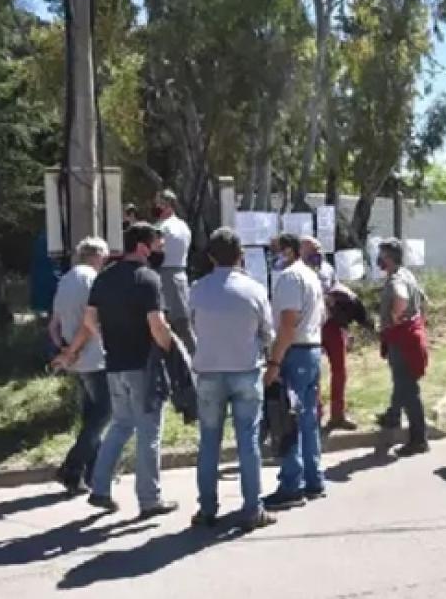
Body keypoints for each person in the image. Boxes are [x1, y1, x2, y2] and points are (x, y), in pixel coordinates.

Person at [84, 223, 178, 517]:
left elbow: (89, 321)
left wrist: (108, 340)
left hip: (114, 365)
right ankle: (150, 500)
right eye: (157, 244)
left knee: (121, 425)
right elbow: (157, 325)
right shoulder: (147, 278)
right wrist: (171, 351)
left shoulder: (104, 278)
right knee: (149, 431)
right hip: (143, 365)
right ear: (142, 246)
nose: (160, 249)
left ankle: (99, 488)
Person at [187, 228, 278, 530]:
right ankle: (253, 508)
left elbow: (191, 327)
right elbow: (268, 333)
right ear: (241, 255)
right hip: (246, 370)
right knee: (248, 441)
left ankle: (207, 508)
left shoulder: (197, 289)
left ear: (211, 256)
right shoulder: (254, 290)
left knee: (209, 441)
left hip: (209, 371)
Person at [263, 233, 327, 511]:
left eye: (275, 251)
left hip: (294, 351)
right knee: (307, 419)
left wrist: (274, 362)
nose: (273, 256)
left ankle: (291, 484)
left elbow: (288, 324)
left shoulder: (290, 278)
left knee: (285, 418)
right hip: (312, 349)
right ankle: (313, 479)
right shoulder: (312, 277)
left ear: (289, 251)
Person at [49, 238, 111, 496]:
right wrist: (73, 350)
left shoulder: (65, 280)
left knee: (91, 417)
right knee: (105, 413)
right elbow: (89, 324)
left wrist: (64, 351)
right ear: (98, 256)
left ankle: (91, 476)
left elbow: (53, 324)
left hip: (75, 361)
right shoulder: (93, 281)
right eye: (105, 257)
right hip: (94, 357)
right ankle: (72, 468)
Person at [375, 239, 431, 457]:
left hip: (402, 340)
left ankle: (419, 439)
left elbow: (401, 298)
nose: (378, 260)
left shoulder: (397, 280)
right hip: (411, 336)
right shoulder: (407, 274)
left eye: (381, 256)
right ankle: (393, 416)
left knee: (408, 389)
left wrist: (396, 317)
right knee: (402, 382)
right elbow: (423, 300)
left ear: (388, 258)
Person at [300, 237, 355, 432]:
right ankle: (316, 413)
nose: (318, 253)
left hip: (332, 324)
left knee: (340, 368)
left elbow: (336, 287)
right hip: (311, 325)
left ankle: (338, 414)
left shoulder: (327, 268)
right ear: (301, 252)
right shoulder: (296, 273)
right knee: (313, 372)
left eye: (320, 249)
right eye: (313, 250)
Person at [153, 190, 195, 353]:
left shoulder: (163, 227)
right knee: (182, 322)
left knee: (176, 322)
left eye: (159, 203)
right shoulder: (183, 226)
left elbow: (157, 251)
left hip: (165, 274)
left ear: (168, 205)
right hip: (180, 274)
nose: (156, 207)